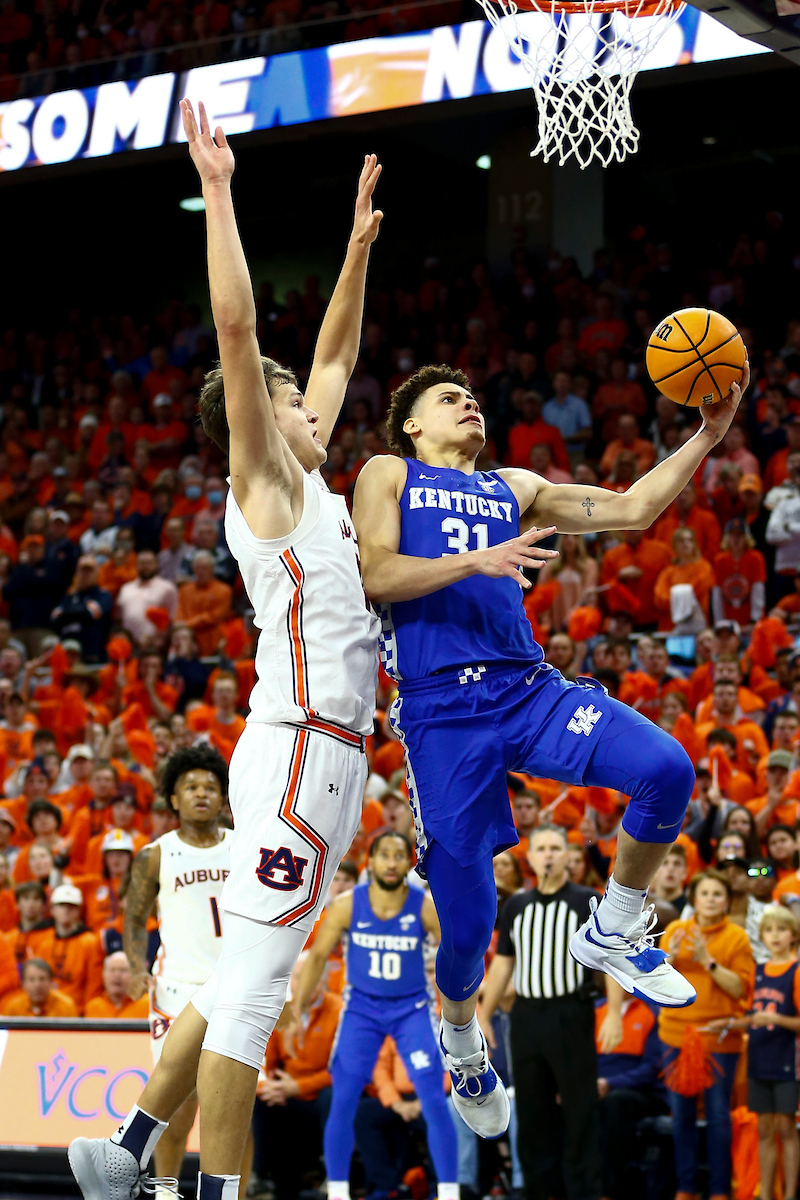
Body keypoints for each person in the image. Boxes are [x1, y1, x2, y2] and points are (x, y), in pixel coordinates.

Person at [69, 102, 382, 1200]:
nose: (312, 402)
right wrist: (223, 194)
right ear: (259, 419)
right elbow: (241, 337)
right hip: (299, 749)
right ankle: (199, 1186)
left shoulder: (313, 476)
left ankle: (131, 1148)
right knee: (254, 986)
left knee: (258, 963)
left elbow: (334, 349)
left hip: (325, 755)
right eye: (295, 400)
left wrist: (352, 249)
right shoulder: (265, 486)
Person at [353, 357, 749, 1135]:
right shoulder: (386, 472)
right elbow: (375, 571)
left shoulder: (517, 488)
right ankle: (463, 1035)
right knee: (468, 928)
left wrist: (706, 435)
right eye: (447, 398)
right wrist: (477, 560)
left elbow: (633, 509)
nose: (468, 403)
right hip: (442, 714)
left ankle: (615, 924)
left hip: (526, 689)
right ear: (412, 424)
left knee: (667, 768)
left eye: (472, 395)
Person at [294, 830, 458, 1200]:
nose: (391, 862)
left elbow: (456, 954)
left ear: (409, 862)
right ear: (370, 861)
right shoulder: (347, 905)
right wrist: (296, 1010)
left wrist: (458, 1005)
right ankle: (337, 1191)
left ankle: (450, 1191)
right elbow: (318, 957)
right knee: (345, 1095)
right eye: (384, 855)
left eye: (399, 855)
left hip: (412, 1009)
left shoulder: (424, 905)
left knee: (433, 1097)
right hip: (361, 1010)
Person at [120, 744, 233, 1185]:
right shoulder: (156, 854)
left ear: (223, 797)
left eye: (210, 786)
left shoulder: (244, 846)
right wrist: (134, 965)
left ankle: (232, 1193)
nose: (201, 794)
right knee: (178, 1101)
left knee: (233, 1104)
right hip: (177, 991)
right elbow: (133, 917)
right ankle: (166, 1190)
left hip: (233, 988)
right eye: (191, 786)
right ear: (173, 798)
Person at [478, 826, 611, 1200]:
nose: (549, 855)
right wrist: (485, 1016)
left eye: (556, 848)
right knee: (533, 1110)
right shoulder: (518, 905)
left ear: (568, 856)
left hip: (571, 1012)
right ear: (531, 858)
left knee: (579, 1109)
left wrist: (614, 1011)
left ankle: (584, 1189)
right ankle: (539, 1189)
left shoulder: (587, 900)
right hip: (526, 1016)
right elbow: (503, 963)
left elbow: (609, 957)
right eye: (542, 849)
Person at [660, 870, 755, 1200]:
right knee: (682, 1115)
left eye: (718, 894)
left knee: (717, 1116)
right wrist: (668, 958)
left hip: (718, 1039)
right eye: (705, 893)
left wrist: (707, 961)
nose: (711, 899)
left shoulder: (737, 938)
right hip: (675, 1037)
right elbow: (656, 982)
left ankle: (718, 1189)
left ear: (728, 901)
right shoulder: (675, 930)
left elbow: (741, 989)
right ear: (693, 898)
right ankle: (686, 1187)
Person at [0, 955, 77, 1017]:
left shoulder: (66, 1006)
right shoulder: (14, 1008)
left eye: (42, 979)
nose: (37, 985)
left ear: (51, 982)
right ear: (23, 984)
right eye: (31, 980)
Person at [84, 951, 150, 1019]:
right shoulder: (93, 1008)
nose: (117, 975)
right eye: (112, 970)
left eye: (123, 970)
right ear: (103, 975)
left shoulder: (148, 1005)